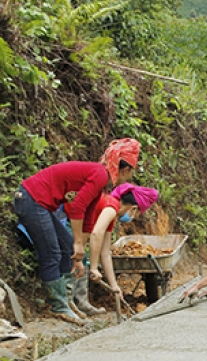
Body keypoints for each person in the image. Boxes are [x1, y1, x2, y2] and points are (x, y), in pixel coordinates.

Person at [13, 138, 140, 323]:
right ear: (126, 169)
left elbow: (88, 217)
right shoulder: (100, 175)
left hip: (42, 205)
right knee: (52, 253)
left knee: (67, 249)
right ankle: (58, 306)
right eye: (130, 173)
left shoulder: (101, 181)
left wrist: (79, 255)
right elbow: (78, 207)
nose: (128, 177)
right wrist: (78, 243)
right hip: (31, 199)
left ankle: (66, 301)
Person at [72, 183, 159, 309]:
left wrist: (114, 285)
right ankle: (68, 304)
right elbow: (96, 234)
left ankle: (78, 303)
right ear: (134, 209)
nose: (135, 217)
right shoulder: (112, 206)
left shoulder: (112, 213)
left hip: (78, 224)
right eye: (138, 214)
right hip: (69, 219)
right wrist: (94, 267)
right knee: (77, 257)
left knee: (81, 259)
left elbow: (105, 252)